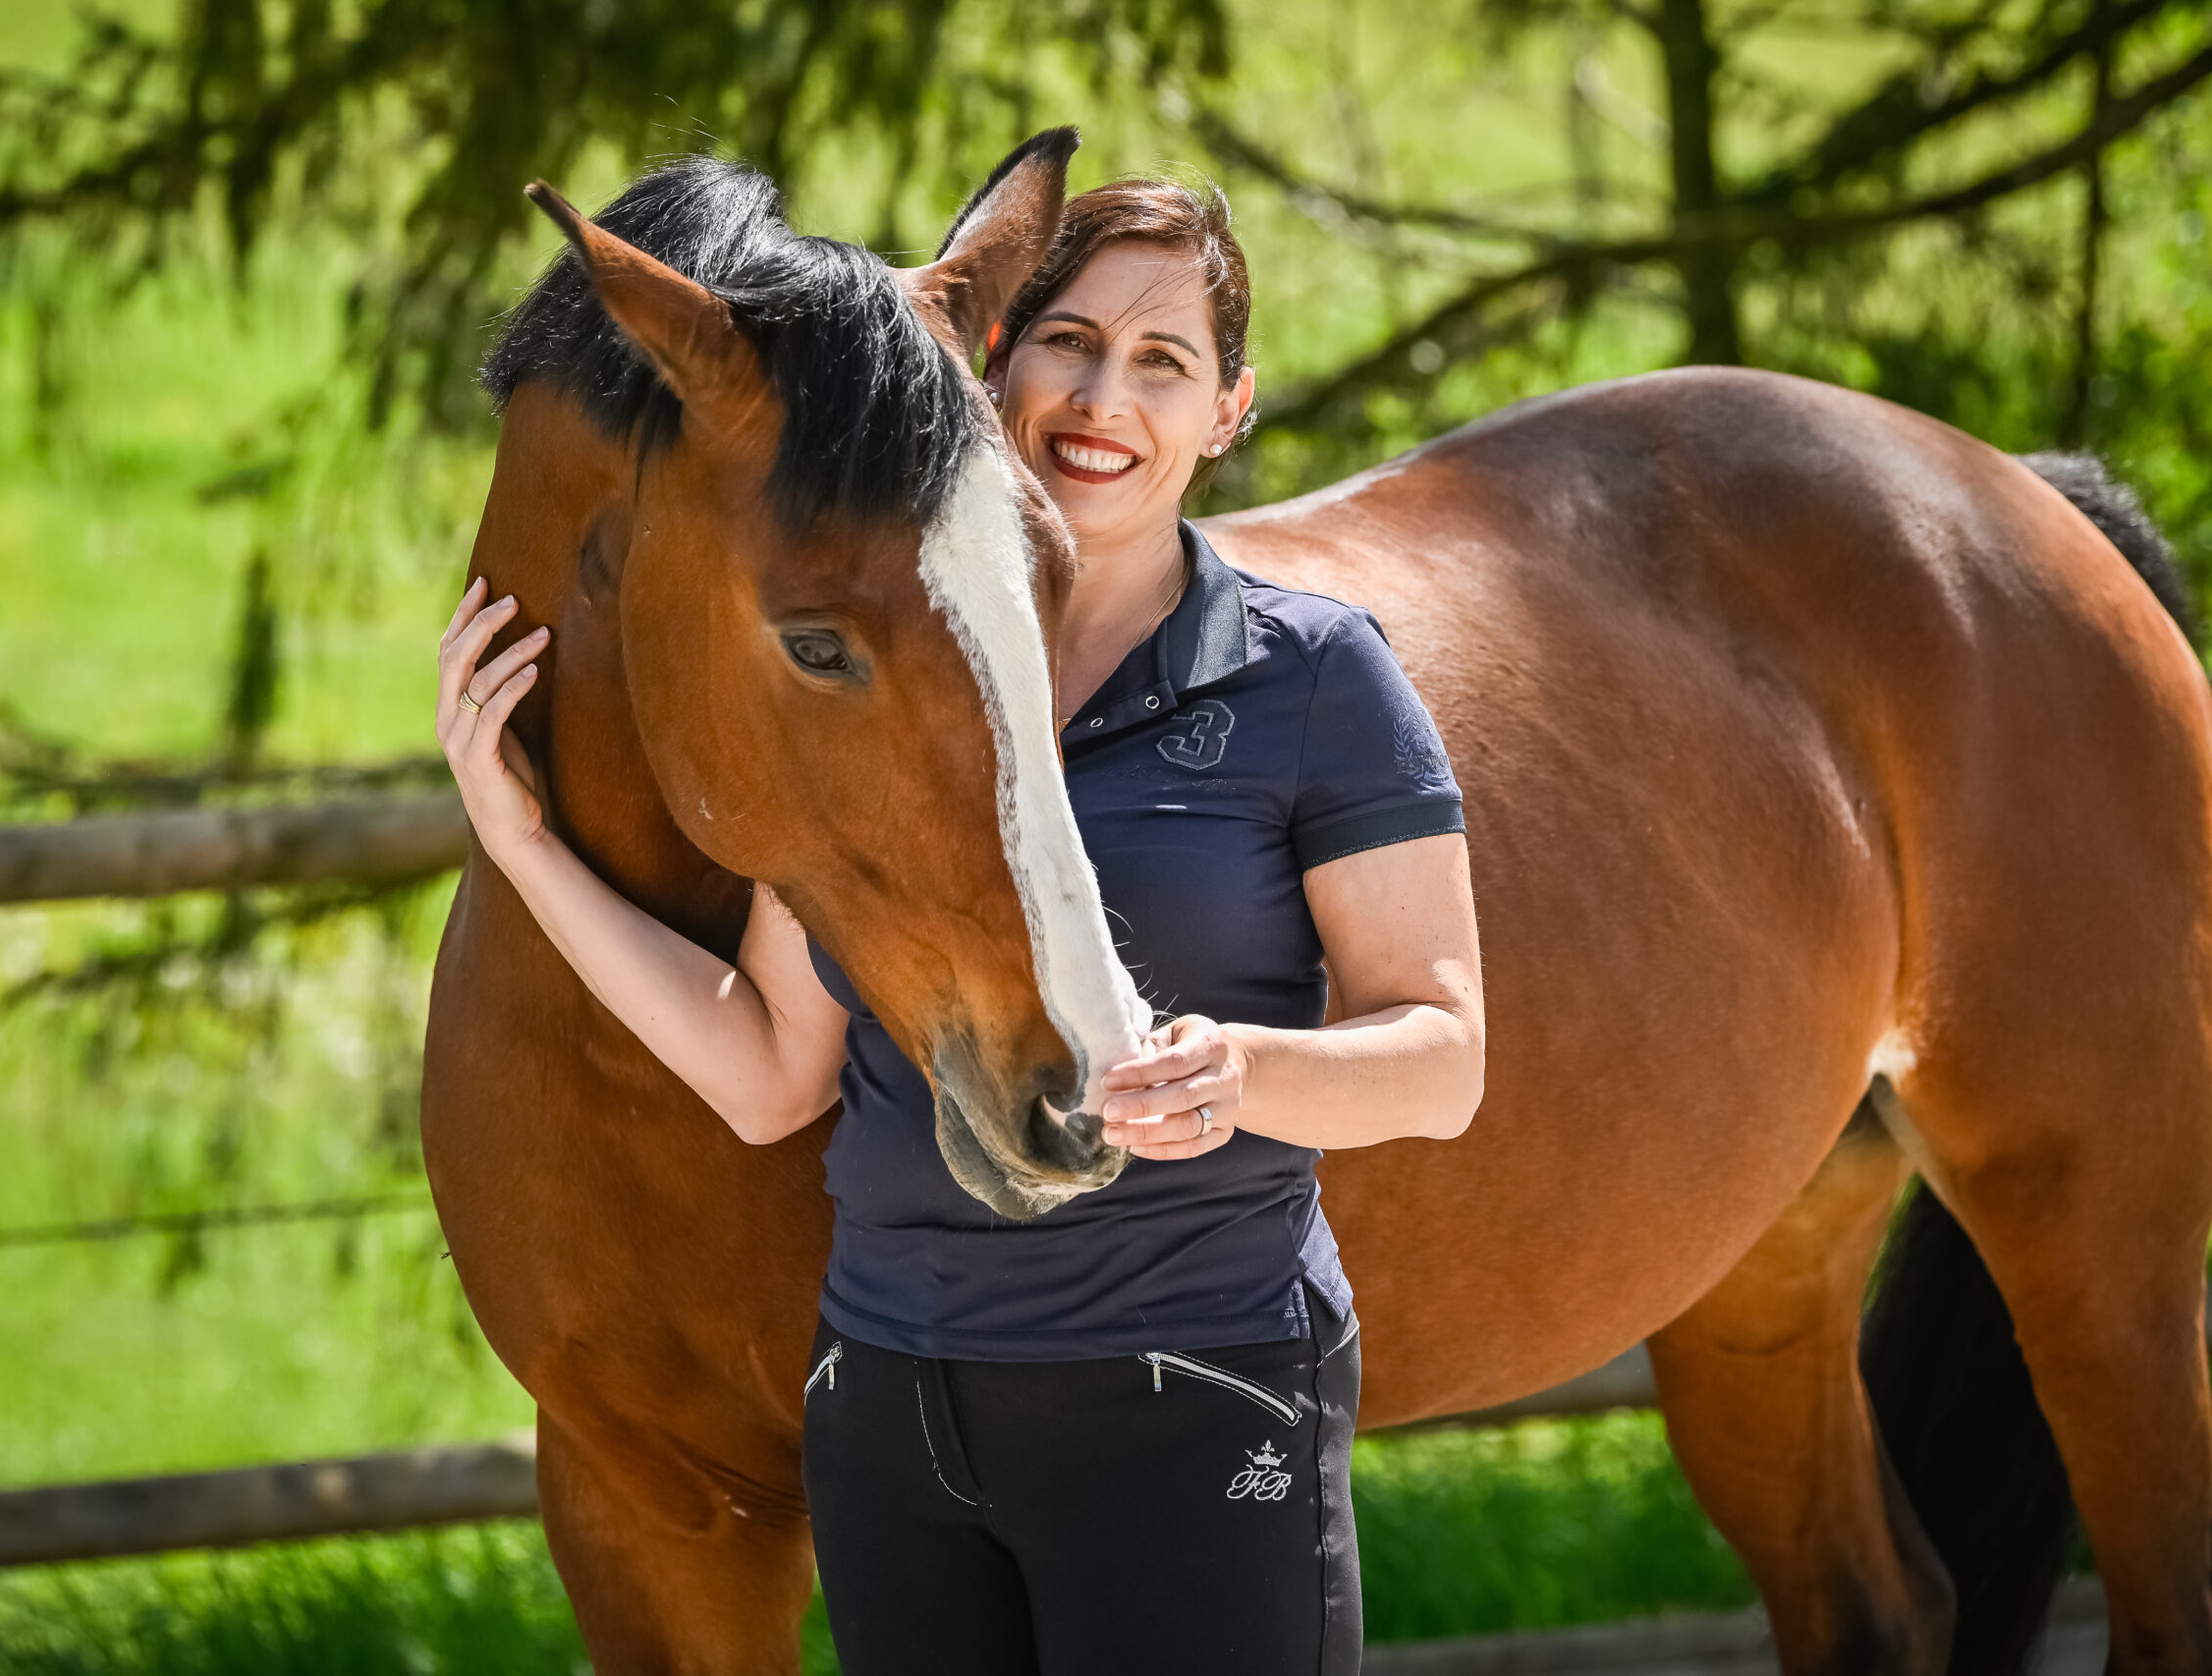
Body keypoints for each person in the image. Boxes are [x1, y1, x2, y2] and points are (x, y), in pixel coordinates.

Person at [435, 175, 1482, 1675]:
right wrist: (521, 843)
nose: (1101, 396)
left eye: (1164, 361)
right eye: (1068, 340)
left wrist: (1235, 1072)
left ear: (1231, 409)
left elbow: (1444, 1055)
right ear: (995, 359)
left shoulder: (1310, 677)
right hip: (903, 1403)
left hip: (1194, 1390)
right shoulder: (926, 664)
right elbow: (773, 1069)